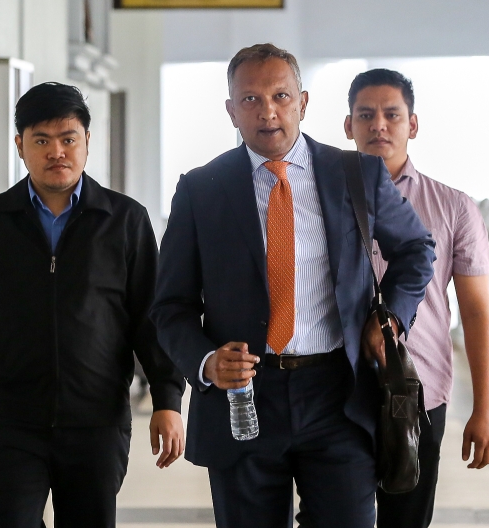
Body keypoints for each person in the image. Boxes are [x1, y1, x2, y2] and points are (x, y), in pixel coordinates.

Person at [150, 44, 436, 528]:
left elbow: (415, 250)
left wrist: (389, 317)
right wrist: (205, 361)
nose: (268, 112)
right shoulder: (202, 189)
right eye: (250, 100)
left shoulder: (356, 175)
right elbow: (170, 306)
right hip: (243, 398)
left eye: (280, 96)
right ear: (230, 110)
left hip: (338, 395)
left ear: (302, 103)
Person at [0, 83, 185, 528]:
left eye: (68, 139)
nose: (56, 152)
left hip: (97, 424)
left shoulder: (125, 221)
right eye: (41, 140)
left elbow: (150, 321)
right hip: (13, 423)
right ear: (20, 146)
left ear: (87, 142)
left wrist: (168, 399)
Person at [343, 68, 489, 528]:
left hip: (420, 391)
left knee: (406, 520)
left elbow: (476, 314)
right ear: (347, 125)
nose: (379, 125)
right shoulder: (322, 199)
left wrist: (485, 409)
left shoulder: (453, 207)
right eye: (365, 115)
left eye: (392, 114)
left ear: (413, 125)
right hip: (336, 391)